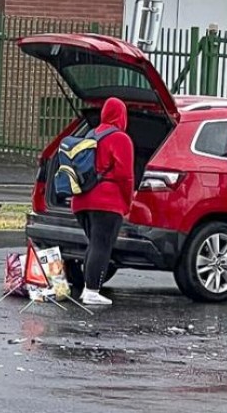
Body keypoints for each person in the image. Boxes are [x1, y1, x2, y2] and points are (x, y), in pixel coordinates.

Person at [71, 97, 134, 306]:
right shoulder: (120, 138)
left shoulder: (90, 135)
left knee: (95, 243)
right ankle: (91, 290)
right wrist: (127, 202)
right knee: (102, 245)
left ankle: (88, 288)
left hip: (82, 200)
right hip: (106, 202)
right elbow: (125, 176)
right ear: (121, 115)